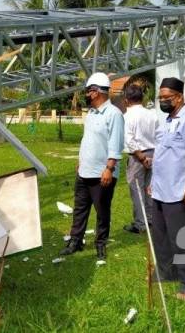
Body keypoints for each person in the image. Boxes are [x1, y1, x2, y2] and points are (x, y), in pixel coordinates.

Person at [149, 77, 185, 300]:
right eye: (160, 98)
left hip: (179, 191)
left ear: (180, 97)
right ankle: (167, 273)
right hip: (160, 190)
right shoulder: (166, 120)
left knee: (182, 239)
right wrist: (153, 183)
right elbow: (162, 155)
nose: (163, 101)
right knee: (161, 237)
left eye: (167, 97)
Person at [60, 72, 125, 261]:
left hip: (102, 173)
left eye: (88, 91)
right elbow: (87, 140)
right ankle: (75, 241)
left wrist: (109, 169)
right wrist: (81, 160)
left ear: (96, 92)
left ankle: (100, 244)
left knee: (102, 211)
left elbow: (116, 144)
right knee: (80, 208)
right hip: (84, 171)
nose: (86, 95)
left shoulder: (114, 114)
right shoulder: (91, 113)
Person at [122, 76, 159, 234]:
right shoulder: (152, 114)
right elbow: (159, 135)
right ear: (142, 98)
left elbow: (129, 140)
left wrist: (142, 158)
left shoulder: (127, 116)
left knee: (136, 189)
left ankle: (140, 223)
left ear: (126, 100)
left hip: (138, 156)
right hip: (154, 153)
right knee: (149, 189)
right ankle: (151, 220)